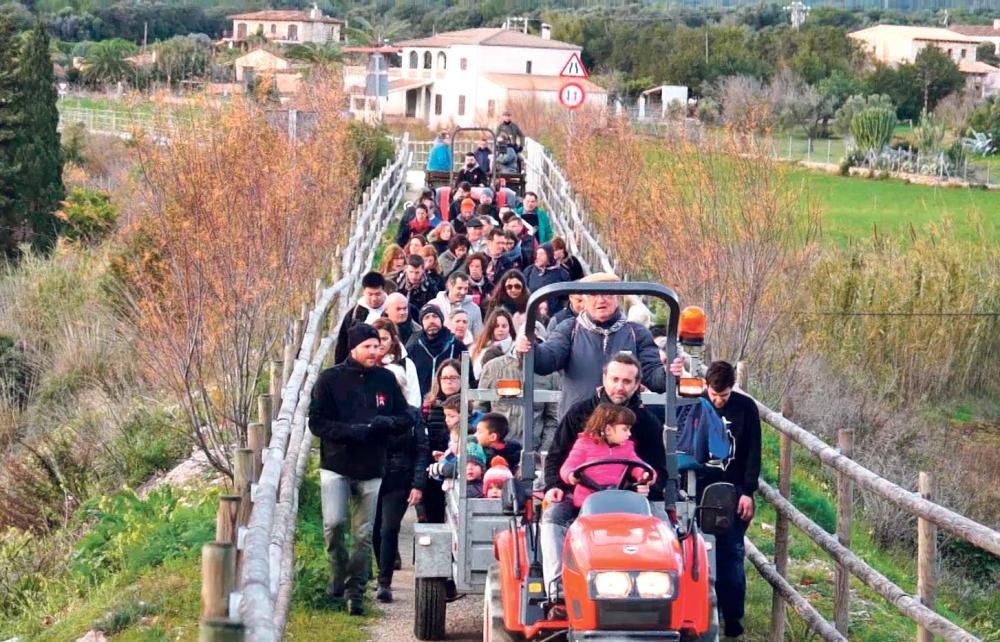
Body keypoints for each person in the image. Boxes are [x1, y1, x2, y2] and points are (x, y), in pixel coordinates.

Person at [538, 353, 668, 600]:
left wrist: (648, 482)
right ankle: (557, 585)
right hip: (582, 497)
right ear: (604, 379)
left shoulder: (646, 422)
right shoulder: (580, 415)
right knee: (553, 517)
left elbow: (656, 468)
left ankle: (662, 588)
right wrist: (555, 484)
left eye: (627, 381)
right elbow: (557, 456)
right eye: (615, 379)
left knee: (663, 525)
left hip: (632, 499)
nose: (620, 386)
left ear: (637, 384)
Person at [308, 324, 414, 615]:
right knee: (334, 523)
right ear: (353, 348)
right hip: (336, 464)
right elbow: (316, 422)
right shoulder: (329, 380)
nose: (374, 351)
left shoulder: (385, 379)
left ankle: (356, 590)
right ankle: (337, 572)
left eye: (377, 346)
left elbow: (406, 416)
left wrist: (386, 424)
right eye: (367, 346)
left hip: (372, 466)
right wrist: (352, 431)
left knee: (364, 533)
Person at [515, 272, 666, 417]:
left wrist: (668, 372)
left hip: (622, 426)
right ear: (584, 300)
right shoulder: (569, 329)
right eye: (593, 294)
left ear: (617, 297)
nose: (600, 300)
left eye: (607, 294)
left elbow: (654, 378)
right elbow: (546, 361)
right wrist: (530, 348)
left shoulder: (636, 333)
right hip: (578, 425)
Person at [696, 360, 761, 640]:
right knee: (696, 555)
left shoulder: (746, 408)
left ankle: (732, 617)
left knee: (731, 554)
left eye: (723, 396)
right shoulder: (696, 405)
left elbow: (752, 451)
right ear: (706, 387)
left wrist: (748, 491)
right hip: (697, 488)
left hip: (732, 490)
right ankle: (698, 613)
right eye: (714, 395)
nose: (718, 401)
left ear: (732, 389)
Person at [369, 319, 429, 604]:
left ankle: (384, 581)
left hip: (398, 476)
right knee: (373, 527)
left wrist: (417, 483)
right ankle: (379, 567)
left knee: (389, 527)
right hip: (372, 474)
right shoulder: (374, 414)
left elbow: (421, 448)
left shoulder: (413, 415)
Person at [558, 402, 654, 509]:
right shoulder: (584, 444)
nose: (629, 434)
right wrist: (571, 475)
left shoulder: (626, 448)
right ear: (608, 429)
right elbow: (568, 465)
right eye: (625, 429)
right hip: (587, 504)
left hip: (618, 500)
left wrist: (644, 474)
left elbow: (637, 464)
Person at [475, 344, 559, 451]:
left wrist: (543, 451)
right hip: (495, 449)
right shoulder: (493, 368)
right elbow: (480, 410)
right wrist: (485, 447)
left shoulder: (550, 374)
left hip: (533, 450)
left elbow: (553, 418)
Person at [420, 359, 465, 523]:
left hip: (458, 468)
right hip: (433, 469)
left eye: (454, 377)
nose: (449, 382)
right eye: (445, 378)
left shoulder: (470, 405)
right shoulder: (429, 404)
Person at [406, 304, 465, 398]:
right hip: (421, 405)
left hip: (450, 404)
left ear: (441, 320)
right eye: (426, 318)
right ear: (421, 323)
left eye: (435, 316)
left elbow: (468, 378)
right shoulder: (413, 347)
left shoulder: (457, 346)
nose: (431, 321)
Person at [334, 271, 387, 364]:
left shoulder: (392, 309)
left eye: (378, 294)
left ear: (384, 291)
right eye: (370, 294)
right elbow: (342, 345)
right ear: (363, 292)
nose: (374, 299)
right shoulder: (354, 315)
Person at [371, 318, 421, 408]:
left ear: (393, 340)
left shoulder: (406, 364)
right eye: (376, 339)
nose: (380, 343)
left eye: (384, 339)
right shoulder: (366, 363)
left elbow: (414, 398)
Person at [429, 271, 485, 338]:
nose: (463, 292)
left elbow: (478, 337)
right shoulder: (433, 305)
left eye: (466, 288)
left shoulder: (474, 309)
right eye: (459, 288)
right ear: (450, 286)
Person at [524, 245, 570, 315]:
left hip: (554, 313)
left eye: (542, 254)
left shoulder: (561, 273)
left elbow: (566, 296)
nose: (538, 257)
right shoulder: (529, 271)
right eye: (537, 254)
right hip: (532, 312)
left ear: (549, 255)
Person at [469, 308, 515, 379]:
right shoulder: (478, 348)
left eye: (504, 326)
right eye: (496, 326)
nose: (500, 329)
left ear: (509, 328)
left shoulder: (515, 347)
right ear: (491, 328)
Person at [395, 254, 440, 319]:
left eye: (417, 272)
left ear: (423, 270)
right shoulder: (396, 283)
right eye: (411, 272)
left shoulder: (430, 286)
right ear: (406, 269)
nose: (413, 276)